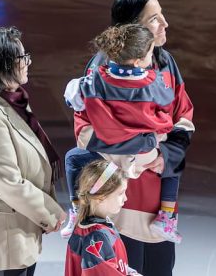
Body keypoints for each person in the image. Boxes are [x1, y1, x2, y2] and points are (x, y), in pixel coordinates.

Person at [61, 0, 194, 275]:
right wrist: (137, 156)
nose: (165, 24)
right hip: (118, 205)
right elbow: (85, 131)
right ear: (132, 29)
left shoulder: (167, 63)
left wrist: (166, 155)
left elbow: (183, 116)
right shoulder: (101, 69)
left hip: (158, 207)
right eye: (155, 18)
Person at [64, 23, 183, 243]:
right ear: (138, 60)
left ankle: (75, 210)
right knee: (173, 161)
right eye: (150, 53)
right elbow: (165, 115)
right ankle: (166, 216)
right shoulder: (152, 84)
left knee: (72, 159)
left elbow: (74, 98)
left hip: (105, 155)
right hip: (141, 154)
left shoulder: (95, 80)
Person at [0, 26, 67, 276]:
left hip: (17, 228)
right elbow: (9, 183)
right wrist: (52, 213)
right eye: (22, 58)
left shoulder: (11, 100)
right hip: (4, 235)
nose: (28, 62)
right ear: (2, 64)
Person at [64, 159, 140, 276]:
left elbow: (111, 265)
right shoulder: (96, 237)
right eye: (120, 193)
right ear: (100, 197)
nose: (125, 198)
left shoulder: (96, 227)